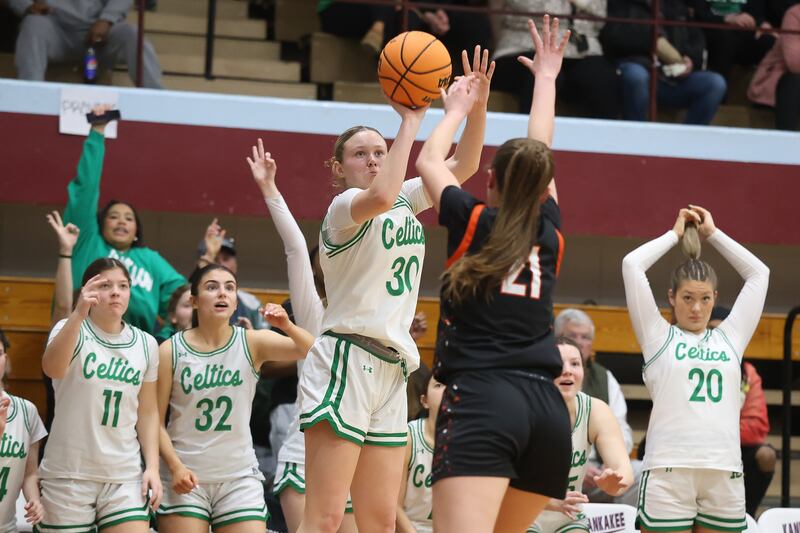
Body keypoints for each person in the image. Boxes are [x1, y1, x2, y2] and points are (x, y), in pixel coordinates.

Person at [294, 44, 492, 533]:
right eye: (361, 154)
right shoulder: (343, 209)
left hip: (392, 367)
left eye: (380, 152)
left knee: (380, 522)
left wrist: (476, 105)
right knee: (323, 518)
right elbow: (381, 192)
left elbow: (463, 167)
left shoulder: (405, 199)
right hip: (346, 360)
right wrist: (411, 119)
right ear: (339, 169)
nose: (374, 160)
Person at [415, 16, 572, 532]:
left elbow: (429, 159)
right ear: (541, 186)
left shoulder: (474, 218)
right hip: (548, 413)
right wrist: (545, 80)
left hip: (485, 400)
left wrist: (457, 109)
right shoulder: (549, 229)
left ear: (491, 181)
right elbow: (540, 149)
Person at [622, 205, 769, 532]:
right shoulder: (657, 335)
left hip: (724, 471)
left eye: (704, 299)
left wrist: (713, 235)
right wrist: (674, 235)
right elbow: (632, 265)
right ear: (672, 297)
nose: (697, 308)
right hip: (668, 470)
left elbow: (760, 273)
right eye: (687, 298)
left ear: (715, 297)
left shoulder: (730, 338)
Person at [156, 264, 314, 533]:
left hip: (238, 475)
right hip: (185, 471)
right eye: (212, 287)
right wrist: (175, 466)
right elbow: (153, 421)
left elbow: (313, 349)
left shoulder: (252, 341)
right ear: (193, 301)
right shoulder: (170, 350)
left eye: (230, 287)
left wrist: (286, 325)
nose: (222, 293)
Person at [40, 257, 163, 532]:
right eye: (105, 285)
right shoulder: (68, 328)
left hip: (124, 474)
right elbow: (52, 369)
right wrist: (78, 315)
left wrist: (152, 467)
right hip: (69, 472)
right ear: (88, 290)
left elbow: (148, 412)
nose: (116, 291)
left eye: (123, 285)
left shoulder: (146, 343)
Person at [62, 105, 186, 335]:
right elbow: (85, 191)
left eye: (129, 218)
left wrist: (163, 339)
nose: (121, 222)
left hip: (134, 352)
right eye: (114, 217)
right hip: (81, 338)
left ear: (137, 229)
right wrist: (97, 133)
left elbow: (184, 300)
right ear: (100, 224)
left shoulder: (150, 260)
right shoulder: (87, 242)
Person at [528, 337, 633, 533]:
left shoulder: (595, 410)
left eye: (575, 364)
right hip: (526, 513)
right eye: (558, 364)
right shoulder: (524, 409)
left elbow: (623, 468)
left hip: (567, 518)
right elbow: (506, 484)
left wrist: (614, 483)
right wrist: (552, 501)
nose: (567, 370)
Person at [601, 0, 727, 125]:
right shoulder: (621, 4)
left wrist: (691, 61)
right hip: (640, 71)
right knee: (636, 75)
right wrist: (651, 41)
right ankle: (637, 138)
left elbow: (695, 37)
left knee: (714, 83)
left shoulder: (676, 4)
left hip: (672, 77)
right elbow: (613, 38)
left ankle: (686, 142)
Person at [492, 1, 620, 118]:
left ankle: (607, 142)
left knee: (603, 78)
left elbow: (600, 16)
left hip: (582, 49)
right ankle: (530, 142)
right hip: (525, 44)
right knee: (543, 75)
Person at [708, 307, 776, 516]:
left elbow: (757, 428)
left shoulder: (747, 372)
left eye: (724, 332)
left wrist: (717, 430)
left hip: (730, 444)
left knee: (766, 455)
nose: (717, 339)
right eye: (712, 331)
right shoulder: (684, 363)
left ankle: (746, 516)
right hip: (693, 446)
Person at [10, 0, 163, 87]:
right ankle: (30, 95)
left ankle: (158, 101)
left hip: (99, 32)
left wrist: (107, 19)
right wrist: (26, 5)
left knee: (131, 33)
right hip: (55, 28)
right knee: (33, 24)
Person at [0, 328, 45, 530]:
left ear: (5, 358)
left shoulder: (27, 412)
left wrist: (34, 500)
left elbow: (29, 474)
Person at [193, 220, 268, 331]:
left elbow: (265, 342)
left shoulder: (252, 304)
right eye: (216, 259)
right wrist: (208, 257)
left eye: (226, 259)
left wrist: (251, 338)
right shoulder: (189, 297)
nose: (222, 264)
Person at [396, 365, 443, 533]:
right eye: (439, 385)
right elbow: (394, 506)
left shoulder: (470, 443)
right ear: (424, 401)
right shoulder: (409, 436)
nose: (447, 391)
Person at [748, 2, 800, 131]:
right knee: (795, 80)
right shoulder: (795, 14)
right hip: (782, 83)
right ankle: (785, 145)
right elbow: (795, 63)